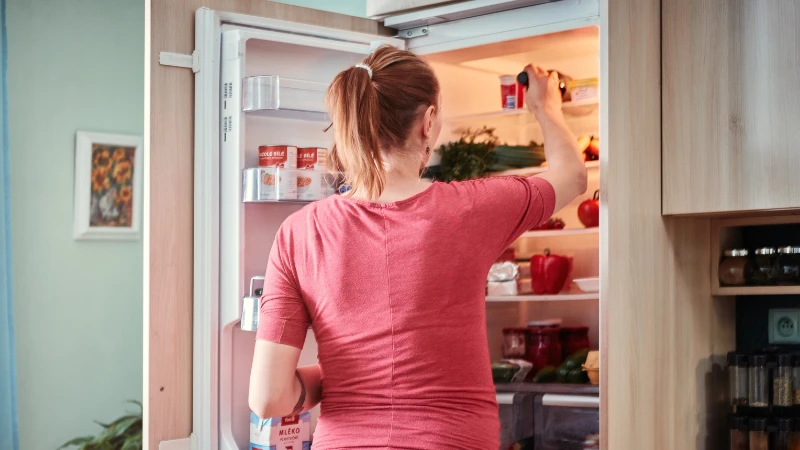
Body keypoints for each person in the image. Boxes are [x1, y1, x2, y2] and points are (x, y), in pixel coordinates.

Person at [248, 45, 587, 449]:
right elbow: (571, 176)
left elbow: (268, 398)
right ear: (427, 122)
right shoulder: (472, 208)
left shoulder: (298, 232)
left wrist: (351, 373)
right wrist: (545, 106)